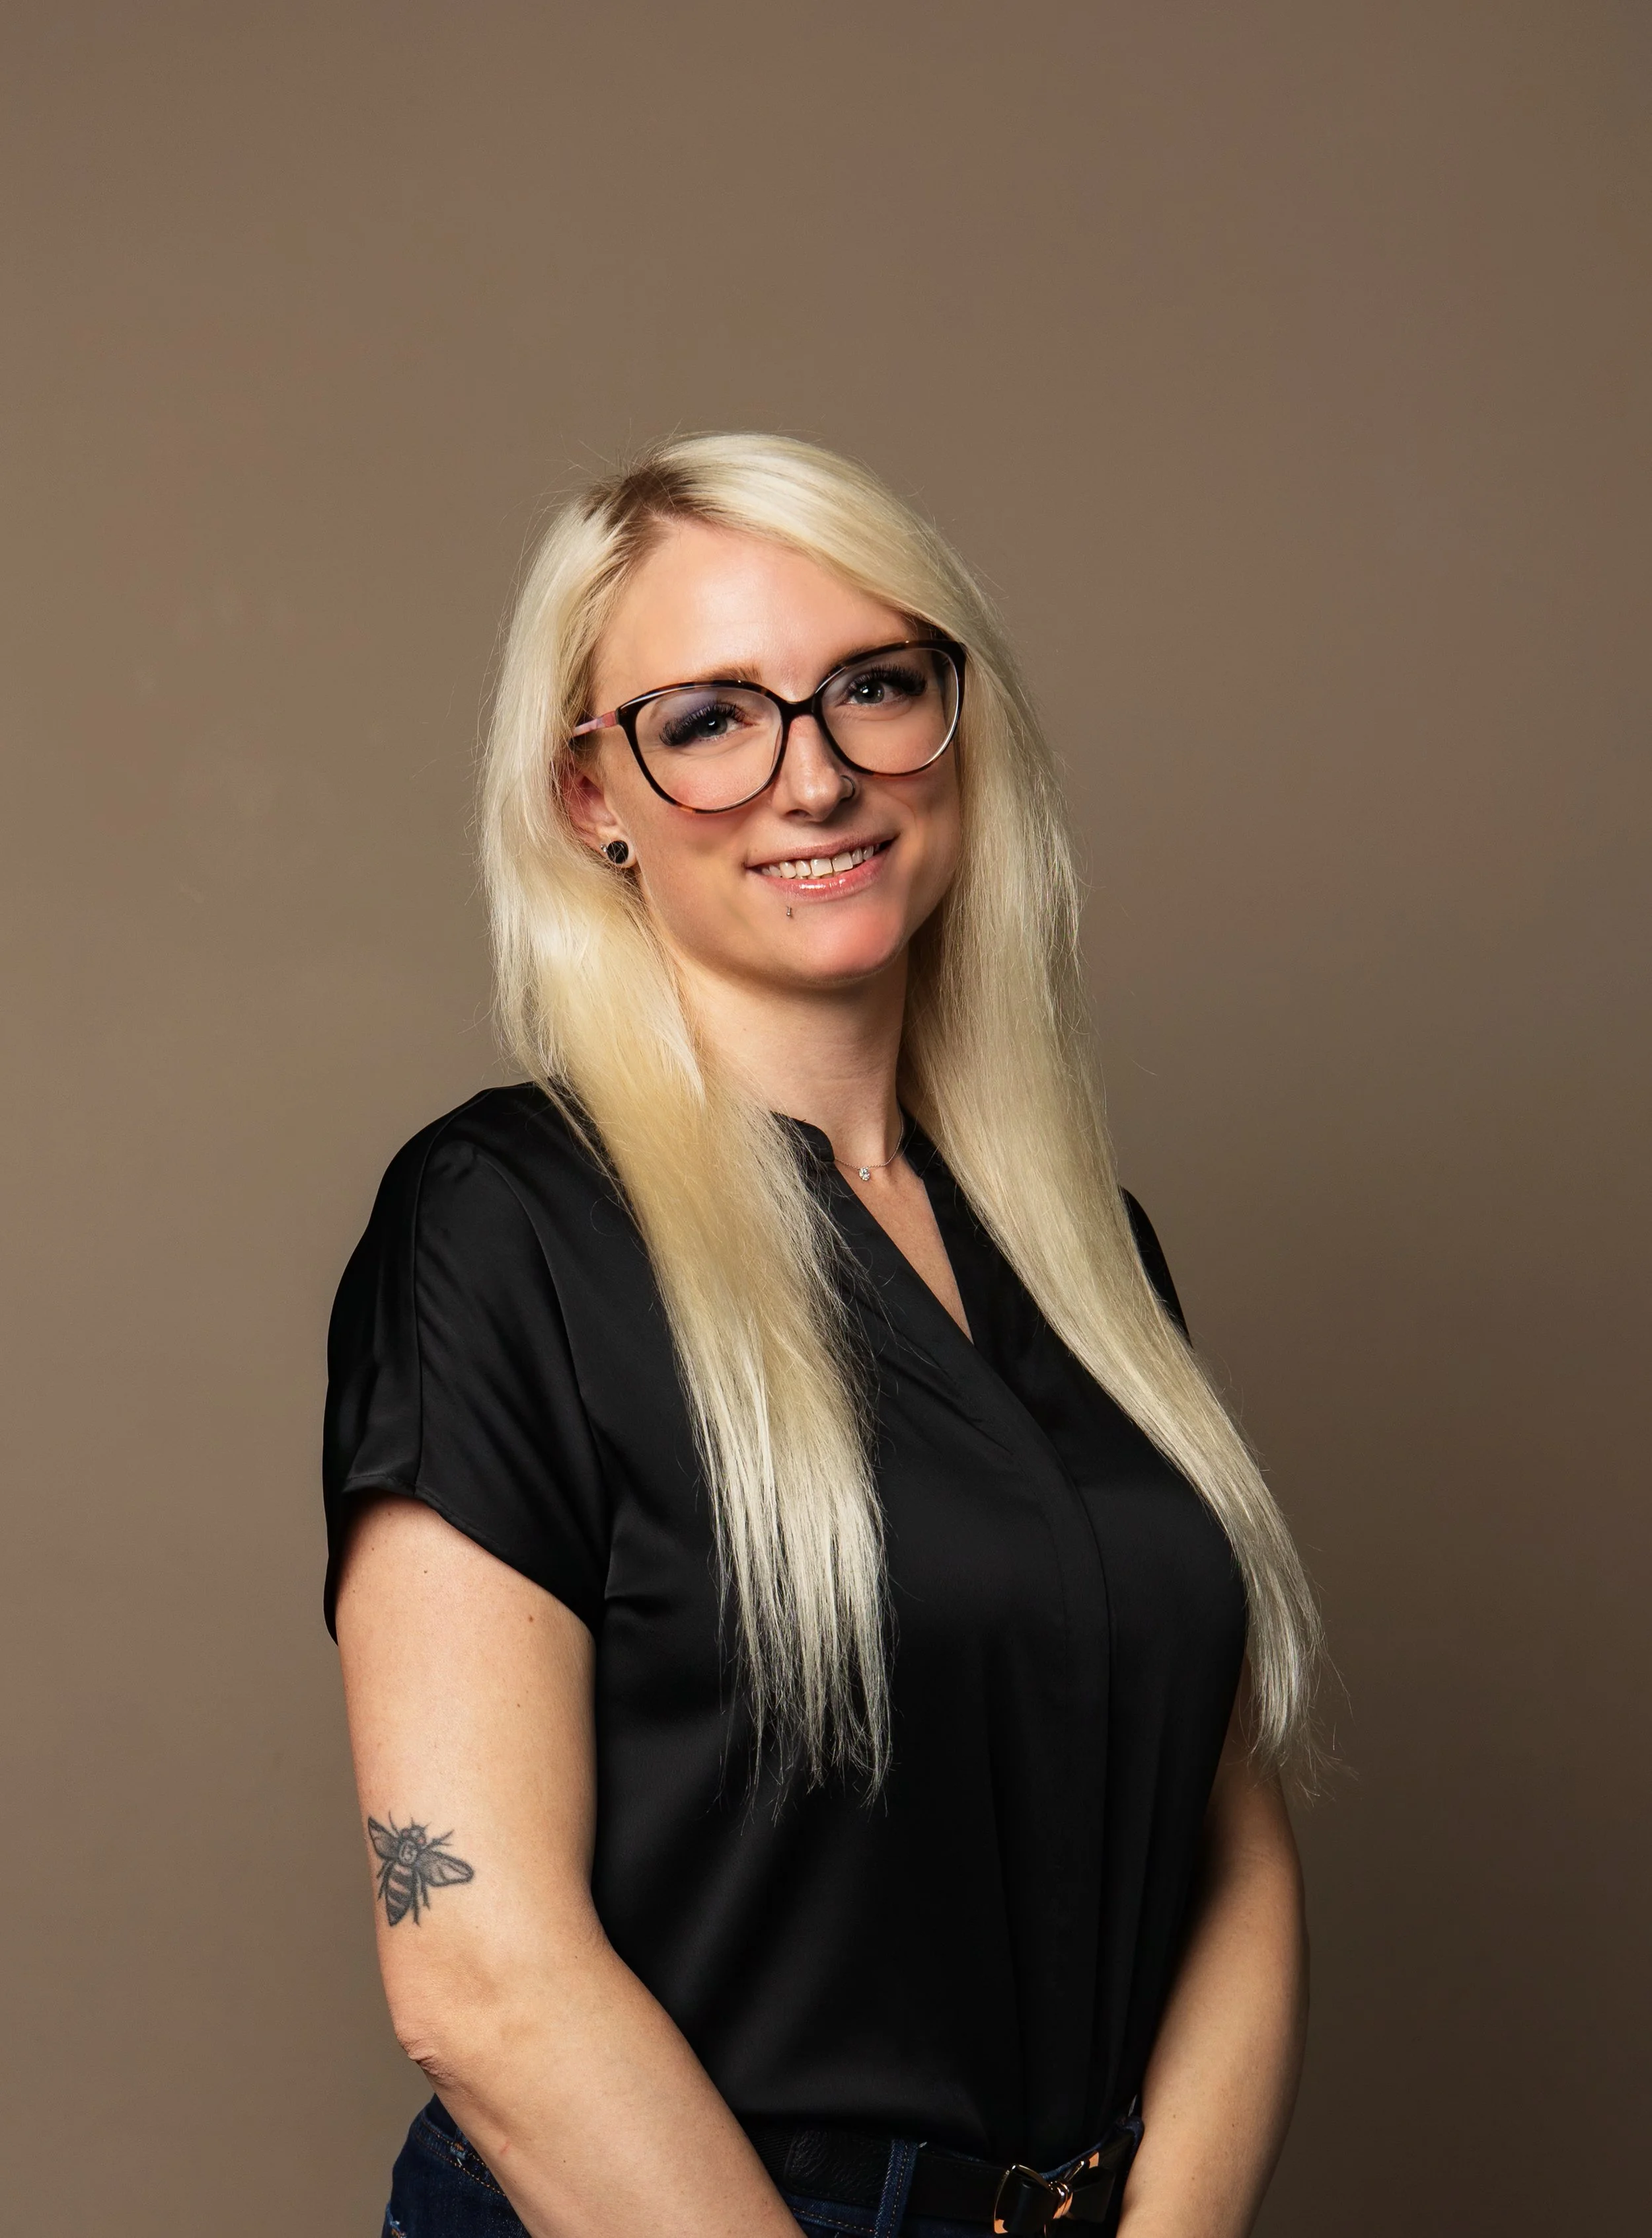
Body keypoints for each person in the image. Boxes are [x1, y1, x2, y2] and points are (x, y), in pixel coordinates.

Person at [324, 433, 1321, 2238]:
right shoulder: (501, 1223)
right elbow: (478, 1974)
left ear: (957, 721)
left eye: (874, 686)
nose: (816, 777)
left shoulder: (1088, 1254)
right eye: (709, 719)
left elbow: (1229, 1846)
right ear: (591, 797)